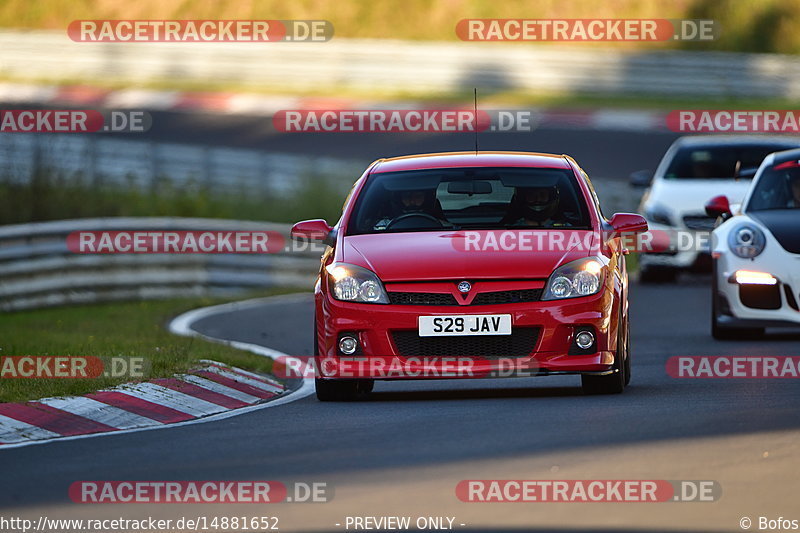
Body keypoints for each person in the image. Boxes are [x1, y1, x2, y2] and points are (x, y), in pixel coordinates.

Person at [372, 189, 446, 230]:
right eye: (407, 196)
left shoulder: (443, 226)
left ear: (426, 199)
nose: (412, 201)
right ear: (399, 199)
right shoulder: (383, 226)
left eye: (418, 196)